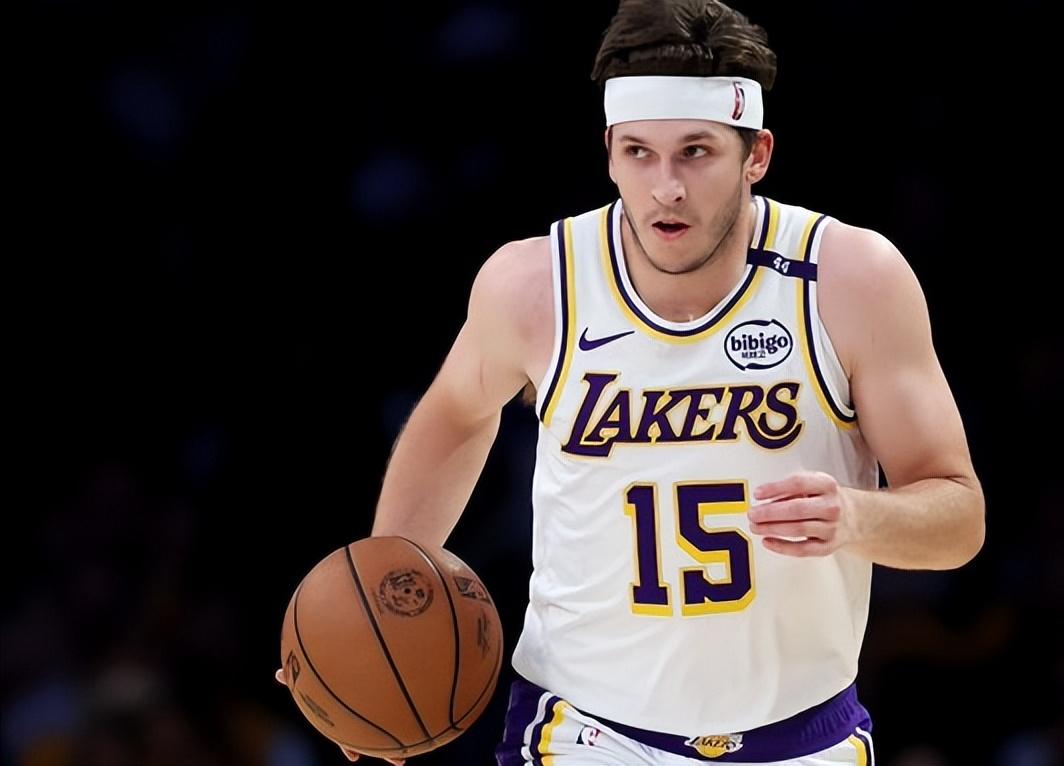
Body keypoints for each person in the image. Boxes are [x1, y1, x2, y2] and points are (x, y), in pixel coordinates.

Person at [283, 0, 985, 762]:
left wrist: (856, 517)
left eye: (696, 152)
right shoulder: (536, 285)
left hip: (802, 737)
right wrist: (380, 613)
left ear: (756, 155)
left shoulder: (850, 280)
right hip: (583, 732)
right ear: (610, 153)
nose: (666, 187)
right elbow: (457, 413)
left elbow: (959, 516)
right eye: (640, 153)